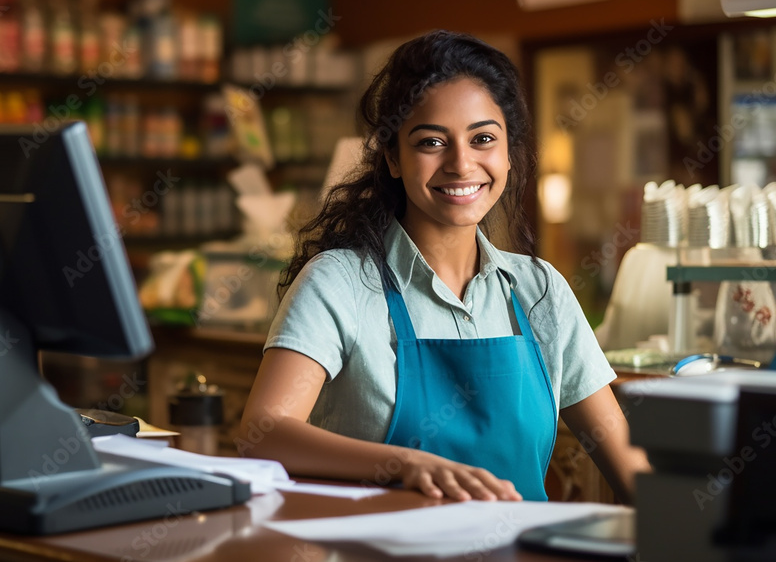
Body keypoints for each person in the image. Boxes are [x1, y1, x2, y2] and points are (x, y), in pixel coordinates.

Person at [238, 30, 650, 503]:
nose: (461, 163)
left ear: (509, 154)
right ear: (392, 157)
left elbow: (625, 462)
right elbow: (262, 435)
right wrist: (408, 465)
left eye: (483, 139)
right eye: (432, 142)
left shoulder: (541, 290)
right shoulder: (339, 282)